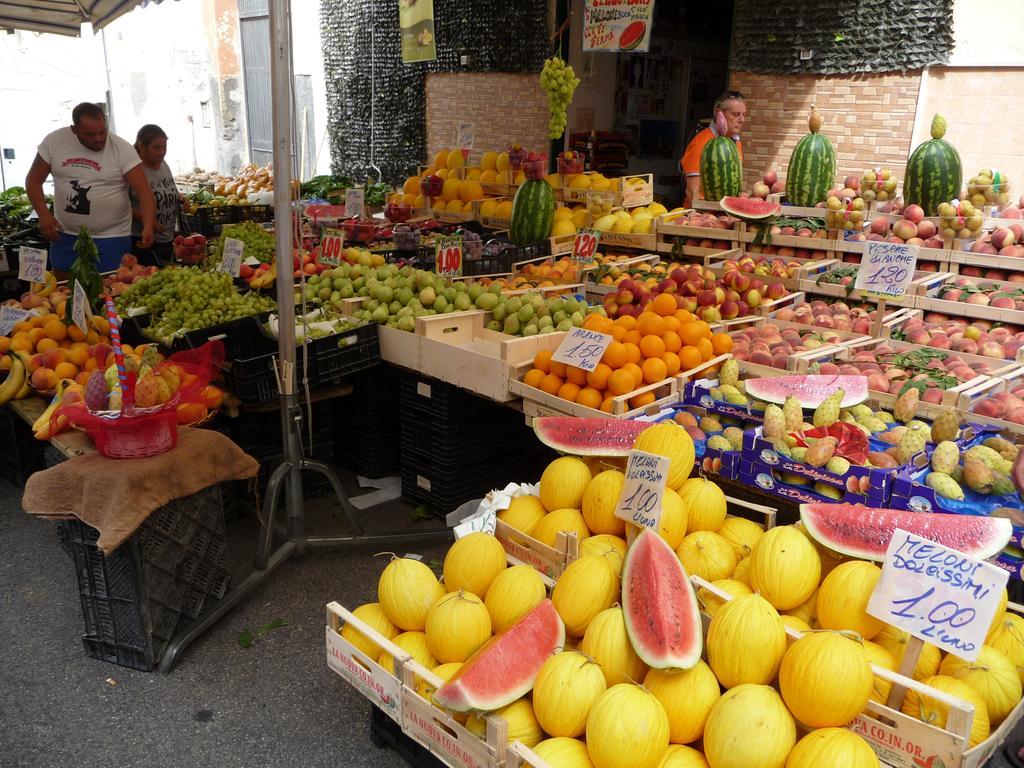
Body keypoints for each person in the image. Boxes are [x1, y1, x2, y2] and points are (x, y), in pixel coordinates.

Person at [25, 102, 155, 275]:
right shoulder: (54, 142)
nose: (99, 138)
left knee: (109, 291)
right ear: (74, 129)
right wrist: (43, 214)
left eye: (102, 131)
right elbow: (33, 180)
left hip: (111, 237)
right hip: (65, 234)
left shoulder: (121, 149)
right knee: (63, 290)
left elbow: (145, 192)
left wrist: (148, 225)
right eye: (90, 134)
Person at [679, 90, 747, 208]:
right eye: (736, 114)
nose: (742, 120)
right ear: (719, 113)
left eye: (743, 114)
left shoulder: (736, 142)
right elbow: (692, 193)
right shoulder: (701, 143)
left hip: (726, 215)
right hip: (703, 216)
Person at [130, 124, 180, 266]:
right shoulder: (133, 169)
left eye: (164, 147)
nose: (162, 152)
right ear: (141, 146)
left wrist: (179, 197)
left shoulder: (163, 163)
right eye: (156, 148)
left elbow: (169, 188)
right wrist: (147, 220)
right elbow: (122, 205)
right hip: (143, 240)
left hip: (166, 238)